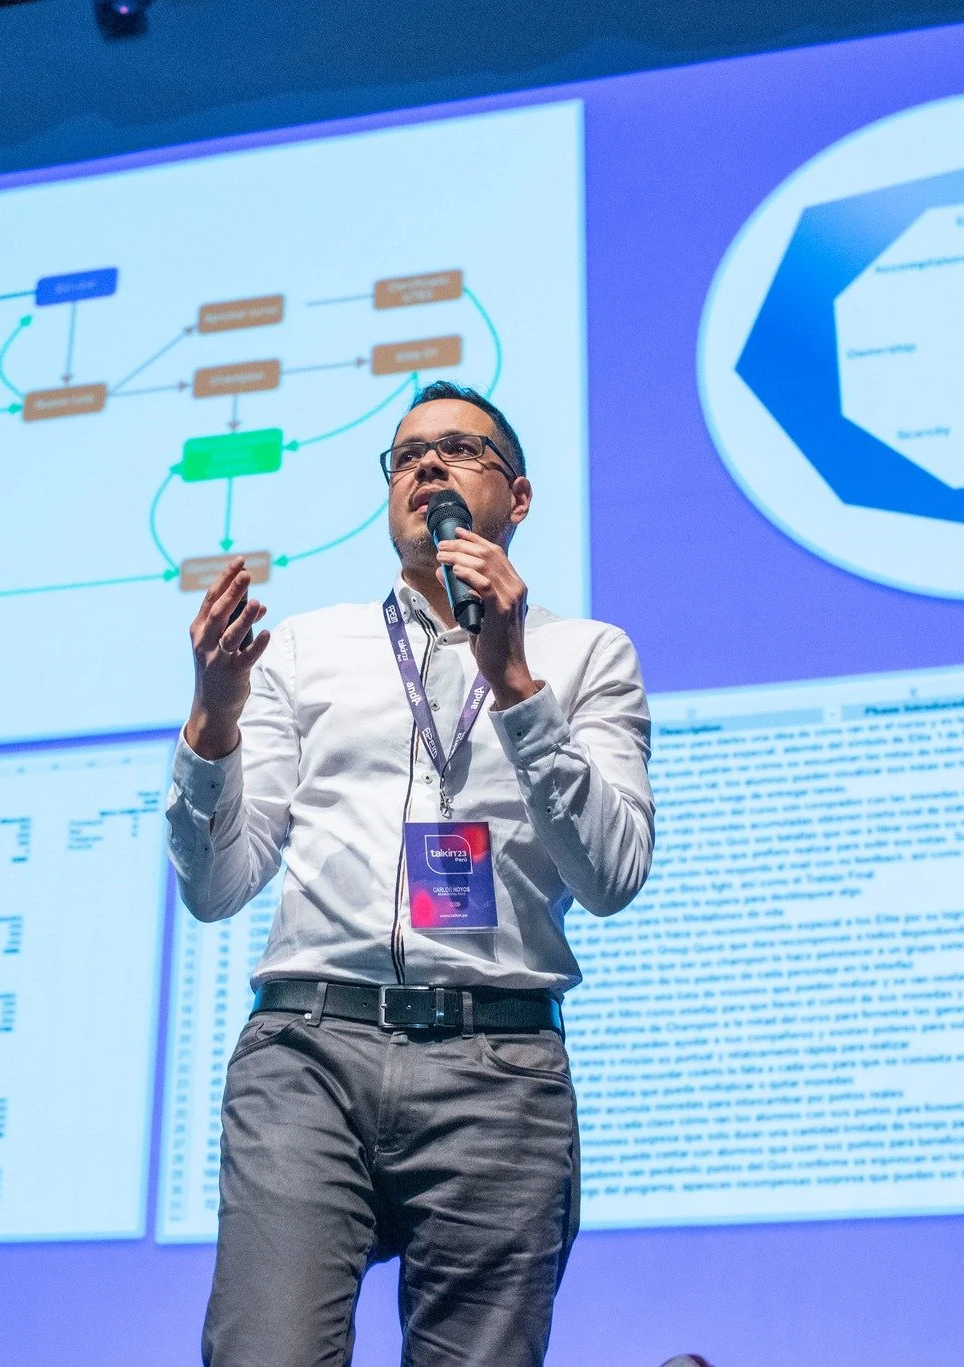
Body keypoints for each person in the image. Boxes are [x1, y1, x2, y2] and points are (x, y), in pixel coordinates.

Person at [166, 380, 655, 1366]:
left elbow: (610, 873)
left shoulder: (587, 654)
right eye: (404, 456)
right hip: (308, 1049)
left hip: (497, 1065)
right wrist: (213, 719)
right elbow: (215, 886)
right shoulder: (305, 647)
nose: (424, 466)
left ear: (516, 498)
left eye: (456, 449)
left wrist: (515, 680)